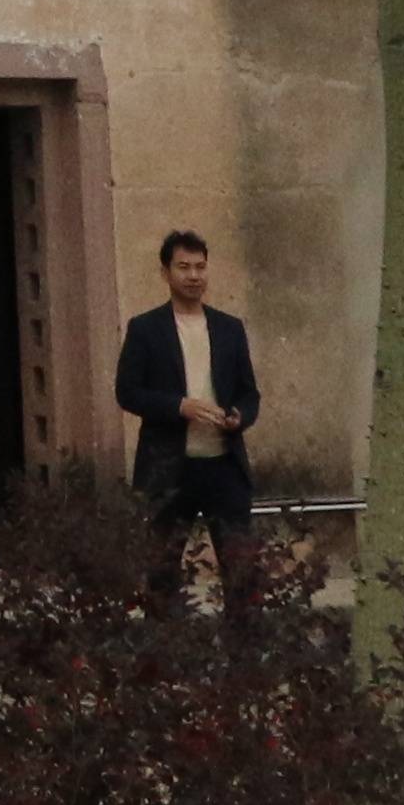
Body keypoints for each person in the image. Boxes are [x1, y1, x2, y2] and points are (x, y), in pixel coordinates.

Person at [113, 227, 261, 589]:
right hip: (168, 468)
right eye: (184, 267)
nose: (194, 276)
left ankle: (242, 643)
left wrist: (239, 416)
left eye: (200, 267)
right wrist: (179, 406)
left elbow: (249, 392)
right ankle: (163, 643)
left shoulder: (230, 328)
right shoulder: (146, 329)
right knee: (162, 570)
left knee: (240, 571)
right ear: (166, 273)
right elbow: (127, 392)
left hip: (224, 465)